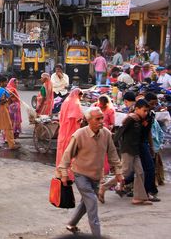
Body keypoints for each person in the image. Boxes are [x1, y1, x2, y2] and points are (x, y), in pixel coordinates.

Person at [58, 107, 123, 237]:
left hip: (96, 176)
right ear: (89, 120)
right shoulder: (79, 135)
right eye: (97, 119)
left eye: (101, 118)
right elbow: (67, 155)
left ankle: (71, 224)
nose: (101, 121)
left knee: (86, 202)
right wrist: (64, 174)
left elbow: (112, 154)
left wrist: (118, 171)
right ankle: (97, 236)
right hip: (80, 174)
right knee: (92, 203)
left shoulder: (106, 134)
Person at [100, 99, 152, 205]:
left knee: (140, 172)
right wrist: (111, 145)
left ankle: (138, 197)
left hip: (135, 150)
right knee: (124, 173)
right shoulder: (130, 119)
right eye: (144, 110)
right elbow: (120, 132)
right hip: (128, 150)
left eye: (147, 111)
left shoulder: (139, 120)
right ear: (137, 109)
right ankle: (103, 187)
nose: (145, 113)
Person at [56, 88, 84, 180]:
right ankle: (69, 175)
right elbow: (78, 118)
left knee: (62, 152)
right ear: (78, 95)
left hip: (63, 131)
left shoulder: (65, 102)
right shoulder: (76, 104)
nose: (81, 98)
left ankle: (60, 173)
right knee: (71, 154)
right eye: (81, 96)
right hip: (72, 133)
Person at [0, 76, 19, 150]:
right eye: (5, 82)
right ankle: (12, 145)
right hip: (2, 110)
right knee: (8, 127)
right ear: (1, 82)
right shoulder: (1, 90)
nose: (6, 83)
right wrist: (9, 97)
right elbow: (2, 101)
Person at [92, 95, 116, 175]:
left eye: (102, 104)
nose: (101, 106)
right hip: (95, 132)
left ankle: (104, 171)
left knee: (104, 152)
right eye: (100, 104)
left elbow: (112, 123)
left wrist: (109, 128)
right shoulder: (96, 107)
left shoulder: (110, 111)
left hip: (105, 134)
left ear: (106, 104)